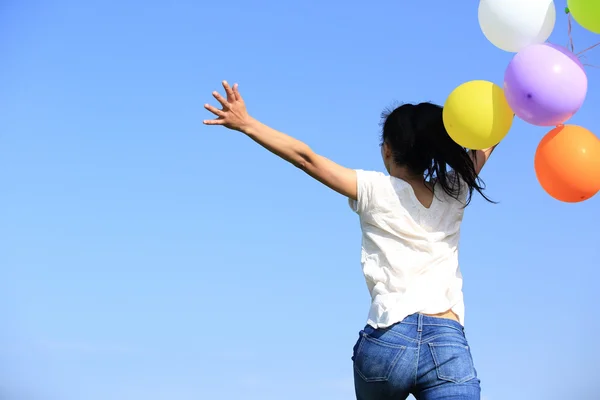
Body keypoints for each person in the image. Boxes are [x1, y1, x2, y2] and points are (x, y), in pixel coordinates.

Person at [204, 81, 498, 400]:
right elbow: (488, 139)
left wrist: (248, 124)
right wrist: (517, 100)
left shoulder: (375, 188)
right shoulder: (454, 191)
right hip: (447, 344)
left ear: (387, 149)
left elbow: (306, 158)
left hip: (388, 340)